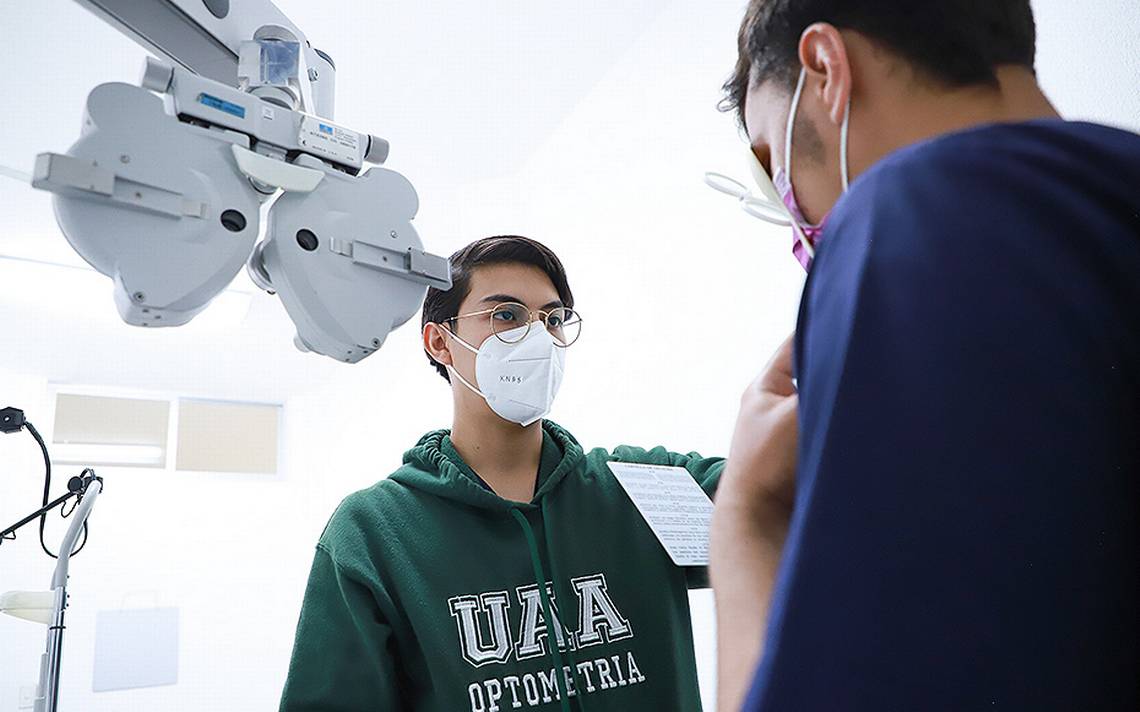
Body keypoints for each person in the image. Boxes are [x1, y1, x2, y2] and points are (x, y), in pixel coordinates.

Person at [709, 2, 1140, 711]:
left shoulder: (906, 212)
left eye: (771, 163)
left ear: (826, 69)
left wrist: (746, 520)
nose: (794, 213)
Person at [279, 235, 723, 712]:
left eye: (552, 320)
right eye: (506, 315)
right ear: (440, 342)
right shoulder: (374, 532)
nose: (537, 338)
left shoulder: (640, 489)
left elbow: (792, 506)